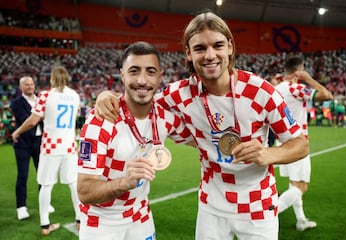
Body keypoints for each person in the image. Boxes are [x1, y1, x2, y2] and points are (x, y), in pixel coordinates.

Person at [95, 11, 309, 240]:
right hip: (211, 208)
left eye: (217, 45)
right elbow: (139, 101)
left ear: (229, 47)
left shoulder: (260, 91)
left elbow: (300, 144)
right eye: (199, 48)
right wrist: (107, 95)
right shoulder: (179, 94)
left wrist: (268, 154)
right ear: (188, 53)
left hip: (258, 207)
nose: (210, 55)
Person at [77, 41, 193, 240]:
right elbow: (84, 191)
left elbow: (203, 140)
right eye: (134, 71)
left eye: (150, 71)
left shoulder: (166, 118)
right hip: (101, 223)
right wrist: (124, 183)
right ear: (122, 74)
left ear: (159, 77)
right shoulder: (101, 122)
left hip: (141, 217)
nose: (142, 80)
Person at [12, 66, 81, 236]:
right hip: (70, 146)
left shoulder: (45, 95)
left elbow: (32, 121)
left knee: (46, 185)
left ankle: (45, 225)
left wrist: (17, 131)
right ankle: (80, 219)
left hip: (50, 146)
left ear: (52, 78)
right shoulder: (75, 95)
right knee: (73, 184)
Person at [275, 53, 333, 231]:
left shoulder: (277, 88)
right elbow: (327, 95)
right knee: (301, 186)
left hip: (282, 142)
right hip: (297, 143)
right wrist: (309, 79)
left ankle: (301, 220)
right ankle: (267, 214)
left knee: (294, 183)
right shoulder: (295, 88)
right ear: (298, 71)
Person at [10, 76, 43, 220]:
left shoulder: (41, 99)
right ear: (21, 87)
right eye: (26, 85)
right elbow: (26, 120)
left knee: (43, 176)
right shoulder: (16, 103)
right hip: (22, 144)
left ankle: (44, 203)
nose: (30, 87)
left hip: (40, 142)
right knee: (22, 175)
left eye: (31, 84)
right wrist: (42, 115)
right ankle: (21, 207)